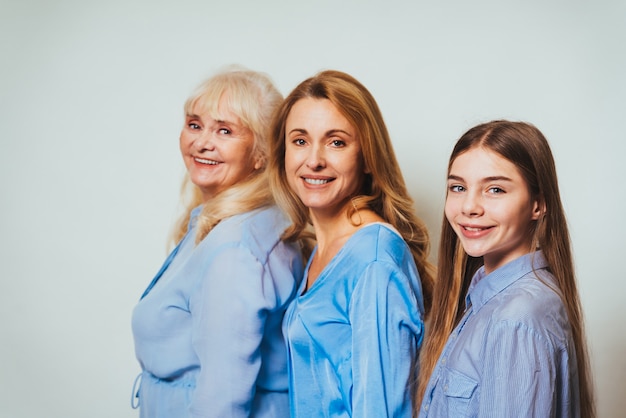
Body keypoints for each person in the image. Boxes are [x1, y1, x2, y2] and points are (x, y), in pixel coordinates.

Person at [131, 66, 304, 418]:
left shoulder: (236, 248)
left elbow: (222, 401)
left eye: (225, 130)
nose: (202, 142)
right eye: (195, 125)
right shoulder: (226, 223)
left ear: (261, 153)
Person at [267, 70, 435, 418]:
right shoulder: (323, 249)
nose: (314, 159)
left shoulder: (373, 262)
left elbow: (384, 410)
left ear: (368, 156)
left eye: (336, 142)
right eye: (300, 140)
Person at [416, 120, 595, 417]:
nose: (469, 206)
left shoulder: (515, 317)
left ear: (538, 204)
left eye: (495, 189)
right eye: (458, 187)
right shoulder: (489, 298)